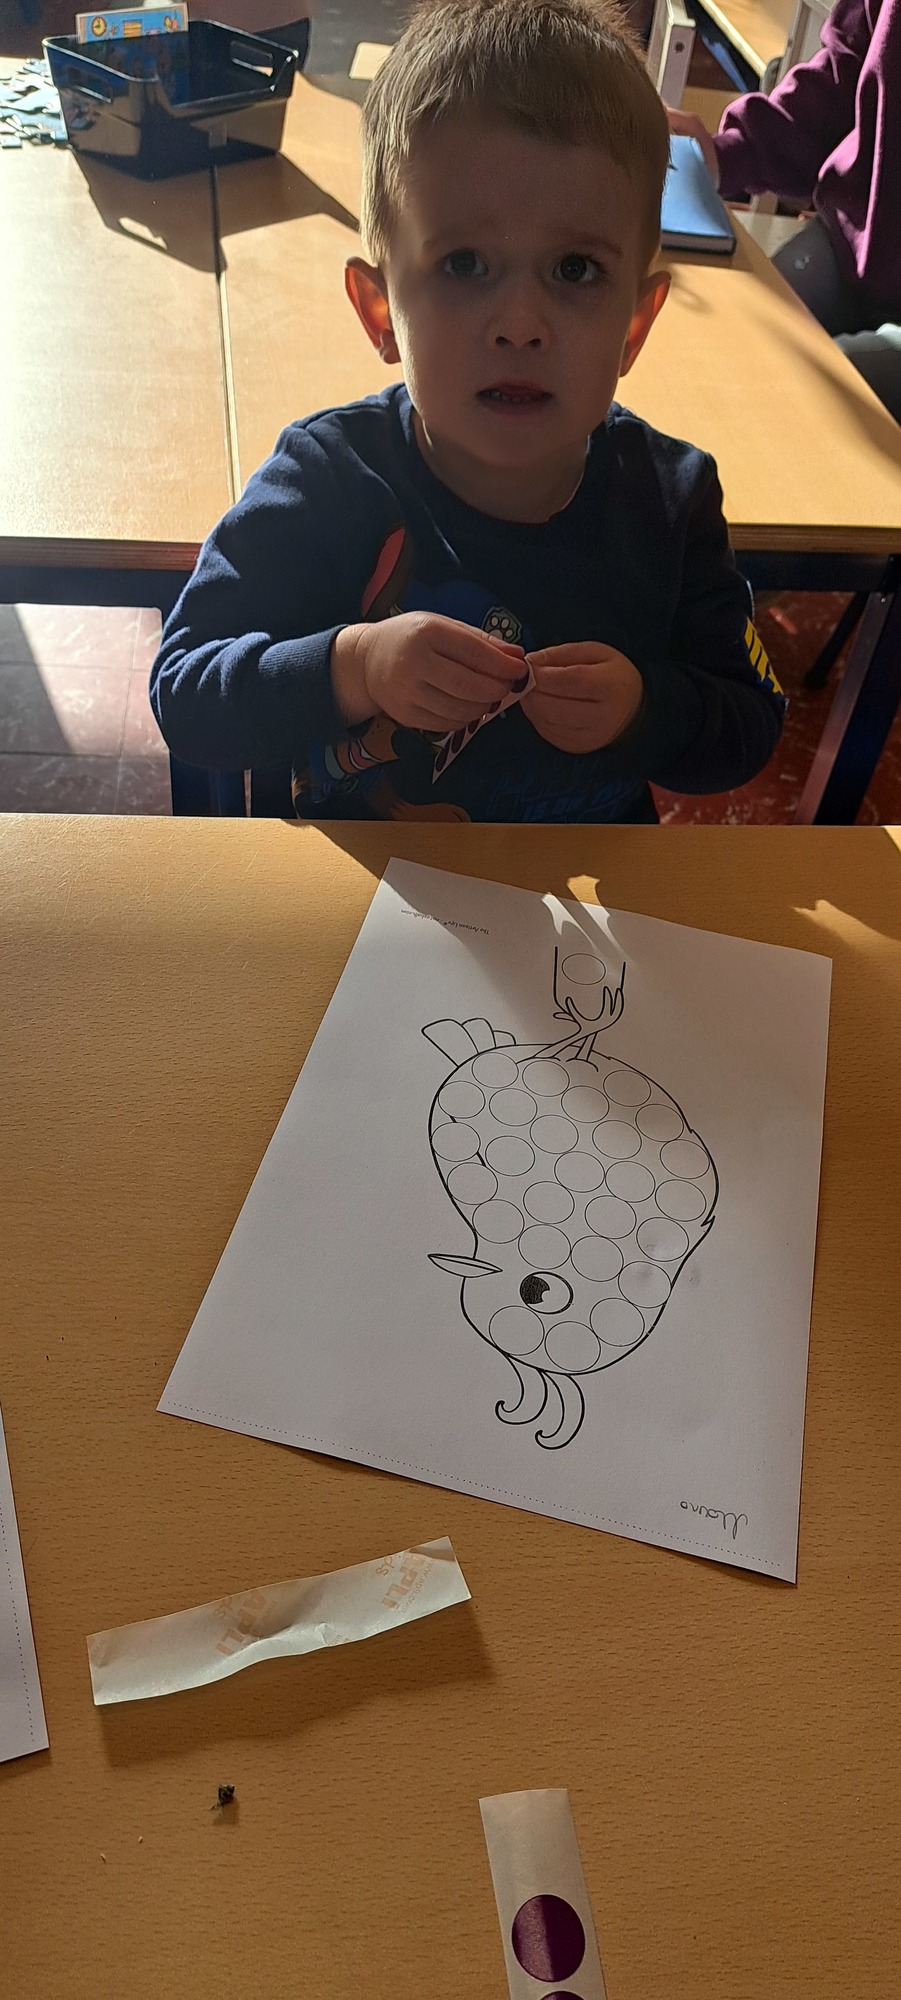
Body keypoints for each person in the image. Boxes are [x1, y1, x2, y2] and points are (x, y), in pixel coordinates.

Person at [151, 0, 784, 825]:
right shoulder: (328, 478)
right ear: (380, 313)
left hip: (580, 896)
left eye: (575, 269)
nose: (519, 323)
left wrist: (644, 709)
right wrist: (353, 668)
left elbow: (750, 722)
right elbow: (186, 692)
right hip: (364, 891)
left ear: (635, 326)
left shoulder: (670, 497)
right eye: (463, 264)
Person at [667, 0, 901, 422]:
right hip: (850, 248)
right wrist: (727, 154)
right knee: (722, 351)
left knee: (795, 403)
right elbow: (842, 74)